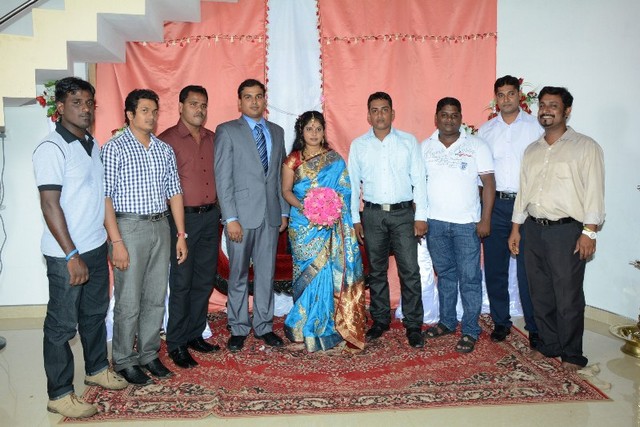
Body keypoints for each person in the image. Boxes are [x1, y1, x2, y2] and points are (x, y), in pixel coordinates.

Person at [32, 77, 127, 418]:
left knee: (94, 315)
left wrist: (109, 241)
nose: (85, 109)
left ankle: (97, 368)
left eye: (89, 103)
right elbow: (50, 205)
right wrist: (71, 255)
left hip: (95, 246)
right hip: (66, 256)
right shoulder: (51, 148)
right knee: (61, 325)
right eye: (77, 103)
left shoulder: (92, 143)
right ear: (60, 107)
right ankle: (59, 394)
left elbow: (97, 196)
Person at [508, 86, 605, 372]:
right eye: (543, 105)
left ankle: (572, 354)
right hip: (533, 230)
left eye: (553, 105)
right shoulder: (532, 150)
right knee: (540, 293)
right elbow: (523, 193)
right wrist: (516, 229)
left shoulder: (586, 147)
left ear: (567, 111)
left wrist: (589, 232)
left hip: (567, 232)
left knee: (568, 295)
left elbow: (595, 193)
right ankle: (549, 345)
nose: (546, 110)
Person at [102, 89, 188, 385]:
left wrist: (181, 234)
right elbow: (105, 197)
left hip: (160, 226)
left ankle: (149, 354)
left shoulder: (164, 149)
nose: (151, 117)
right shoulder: (114, 148)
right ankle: (124, 359)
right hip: (129, 228)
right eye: (145, 111)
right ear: (130, 114)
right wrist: (116, 242)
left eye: (154, 111)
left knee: (155, 296)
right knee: (129, 299)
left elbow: (174, 192)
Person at [281, 111, 366, 352]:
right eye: (309, 129)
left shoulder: (334, 159)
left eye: (318, 128)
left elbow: (345, 190)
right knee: (308, 274)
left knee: (326, 274)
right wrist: (307, 208)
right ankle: (301, 325)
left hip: (330, 225)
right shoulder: (292, 160)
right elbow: (286, 191)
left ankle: (323, 326)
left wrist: (330, 209)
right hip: (302, 225)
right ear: (301, 132)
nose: (314, 133)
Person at [347, 92, 427, 349]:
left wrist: (421, 216)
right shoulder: (359, 145)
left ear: (393, 113)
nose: (380, 115)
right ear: (368, 115)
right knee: (377, 271)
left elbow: (420, 181)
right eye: (375, 110)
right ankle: (380, 320)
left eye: (384, 109)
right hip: (372, 215)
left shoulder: (408, 142)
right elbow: (352, 185)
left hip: (403, 214)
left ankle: (413, 324)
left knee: (409, 271)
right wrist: (354, 219)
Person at [214, 79, 288, 352]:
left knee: (266, 274)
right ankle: (238, 326)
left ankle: (264, 326)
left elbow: (279, 175)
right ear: (240, 102)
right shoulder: (227, 131)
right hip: (241, 218)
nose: (254, 101)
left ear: (264, 100)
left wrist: (283, 210)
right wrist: (230, 218)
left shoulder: (277, 131)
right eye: (248, 97)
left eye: (259, 96)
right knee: (238, 274)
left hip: (270, 215)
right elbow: (223, 179)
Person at [422, 97, 495, 354]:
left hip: (467, 225)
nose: (449, 120)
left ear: (461, 118)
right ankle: (447, 322)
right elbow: (418, 185)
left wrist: (485, 219)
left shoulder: (476, 145)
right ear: (436, 118)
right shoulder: (425, 147)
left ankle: (471, 329)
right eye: (444, 114)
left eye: (454, 115)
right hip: (435, 223)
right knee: (445, 276)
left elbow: (489, 184)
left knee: (470, 278)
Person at [478, 75, 544, 347]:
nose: (506, 99)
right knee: (495, 268)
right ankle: (501, 322)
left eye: (511, 93)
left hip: (526, 207)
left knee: (528, 271)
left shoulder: (535, 128)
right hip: (495, 206)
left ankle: (535, 326)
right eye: (501, 95)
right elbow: (480, 177)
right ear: (496, 98)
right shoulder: (485, 131)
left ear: (519, 96)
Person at [158, 85, 220, 369]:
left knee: (204, 280)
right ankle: (176, 342)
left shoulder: (212, 138)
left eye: (203, 105)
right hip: (181, 220)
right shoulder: (167, 140)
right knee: (182, 282)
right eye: (194, 104)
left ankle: (195, 333)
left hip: (210, 217)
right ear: (181, 106)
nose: (199, 109)